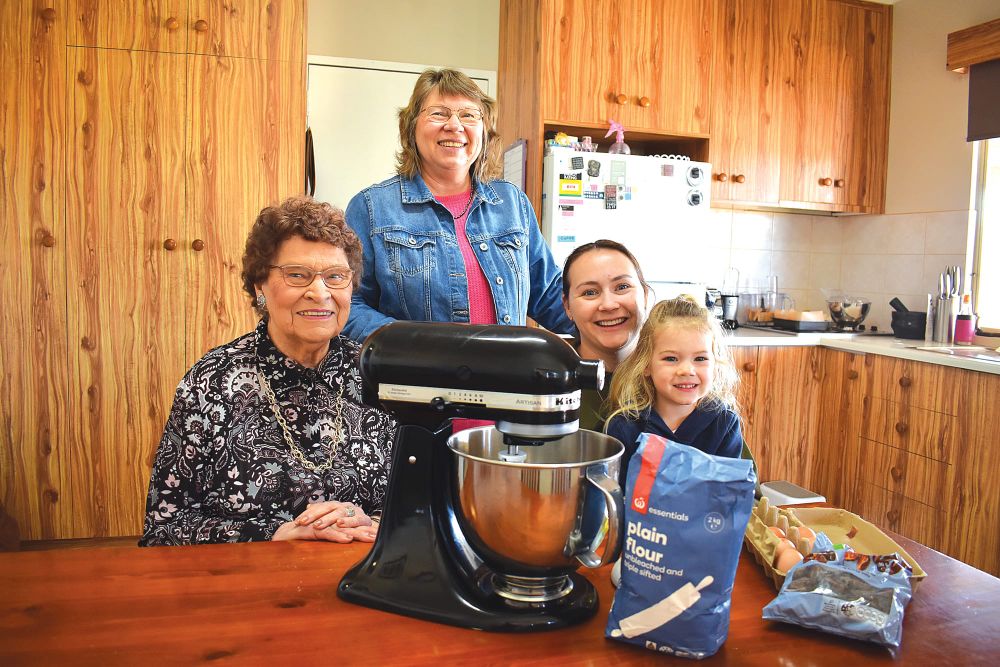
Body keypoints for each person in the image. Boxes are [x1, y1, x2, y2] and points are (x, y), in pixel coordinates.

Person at [140, 196, 397, 546]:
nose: (319, 293)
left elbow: (421, 508)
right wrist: (274, 534)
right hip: (249, 585)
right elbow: (164, 528)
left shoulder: (380, 378)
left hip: (361, 575)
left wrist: (369, 521)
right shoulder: (211, 382)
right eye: (297, 275)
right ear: (260, 285)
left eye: (335, 276)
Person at [342, 68, 572, 342]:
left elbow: (548, 295)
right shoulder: (371, 208)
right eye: (438, 113)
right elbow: (347, 305)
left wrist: (603, 322)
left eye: (469, 115)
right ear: (411, 126)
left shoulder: (511, 202)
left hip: (507, 379)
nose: (454, 125)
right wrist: (414, 342)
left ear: (485, 131)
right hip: (412, 381)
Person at [604, 296, 743, 487]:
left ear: (715, 365)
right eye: (671, 359)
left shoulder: (724, 424)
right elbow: (614, 496)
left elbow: (729, 495)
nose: (687, 370)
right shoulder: (625, 426)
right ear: (646, 365)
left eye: (700, 359)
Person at [561, 240, 651, 431]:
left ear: (644, 295)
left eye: (622, 287)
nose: (609, 305)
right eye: (590, 292)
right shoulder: (551, 383)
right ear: (567, 306)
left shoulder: (674, 375)